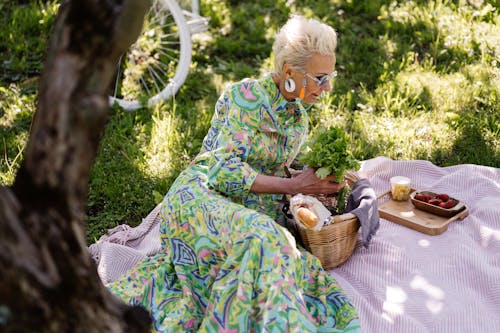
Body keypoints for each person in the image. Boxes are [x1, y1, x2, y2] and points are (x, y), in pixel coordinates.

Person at [107, 14, 361, 332]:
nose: (327, 88)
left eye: (330, 76)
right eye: (320, 78)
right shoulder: (246, 98)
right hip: (199, 194)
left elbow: (274, 171)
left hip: (242, 207)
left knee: (276, 247)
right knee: (266, 239)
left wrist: (305, 187)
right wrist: (293, 183)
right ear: (289, 73)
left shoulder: (299, 119)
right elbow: (223, 171)